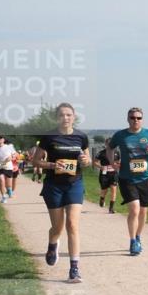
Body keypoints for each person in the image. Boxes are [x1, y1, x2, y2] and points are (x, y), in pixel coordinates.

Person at [31, 103, 90, 284]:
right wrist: (51, 165)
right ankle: (52, 244)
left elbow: (88, 161)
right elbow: (36, 161)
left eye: (69, 115)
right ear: (57, 118)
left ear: (74, 117)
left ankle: (74, 269)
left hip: (74, 184)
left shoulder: (81, 137)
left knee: (72, 225)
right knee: (57, 228)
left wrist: (86, 160)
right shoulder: (49, 137)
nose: (66, 118)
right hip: (54, 186)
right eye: (62, 115)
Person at [107, 108, 148, 255]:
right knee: (134, 209)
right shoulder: (120, 135)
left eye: (138, 118)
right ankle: (132, 242)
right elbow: (109, 148)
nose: (135, 120)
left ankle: (138, 236)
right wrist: (112, 163)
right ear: (128, 119)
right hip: (127, 178)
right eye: (132, 117)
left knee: (143, 212)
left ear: (142, 119)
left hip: (145, 178)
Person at [93, 141, 119, 214]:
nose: (110, 145)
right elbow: (95, 162)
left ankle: (111, 208)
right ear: (106, 144)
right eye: (108, 144)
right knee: (104, 190)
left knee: (114, 190)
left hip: (114, 174)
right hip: (104, 174)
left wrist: (117, 165)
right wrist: (100, 167)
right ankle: (102, 198)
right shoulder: (101, 153)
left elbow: (118, 162)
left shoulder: (117, 152)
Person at [0, 136, 17, 202]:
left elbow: (15, 154)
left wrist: (11, 157)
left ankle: (9, 191)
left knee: (8, 184)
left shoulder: (9, 147)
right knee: (1, 181)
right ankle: (3, 197)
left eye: (0, 139)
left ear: (3, 140)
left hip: (8, 167)